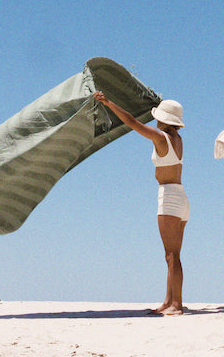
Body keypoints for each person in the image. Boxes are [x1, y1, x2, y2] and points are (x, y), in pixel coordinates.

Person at [93, 91, 189, 316]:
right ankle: (168, 301)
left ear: (164, 120)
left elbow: (133, 123)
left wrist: (108, 101)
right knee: (172, 255)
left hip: (170, 198)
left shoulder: (161, 138)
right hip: (180, 198)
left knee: (171, 255)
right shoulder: (177, 139)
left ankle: (177, 305)